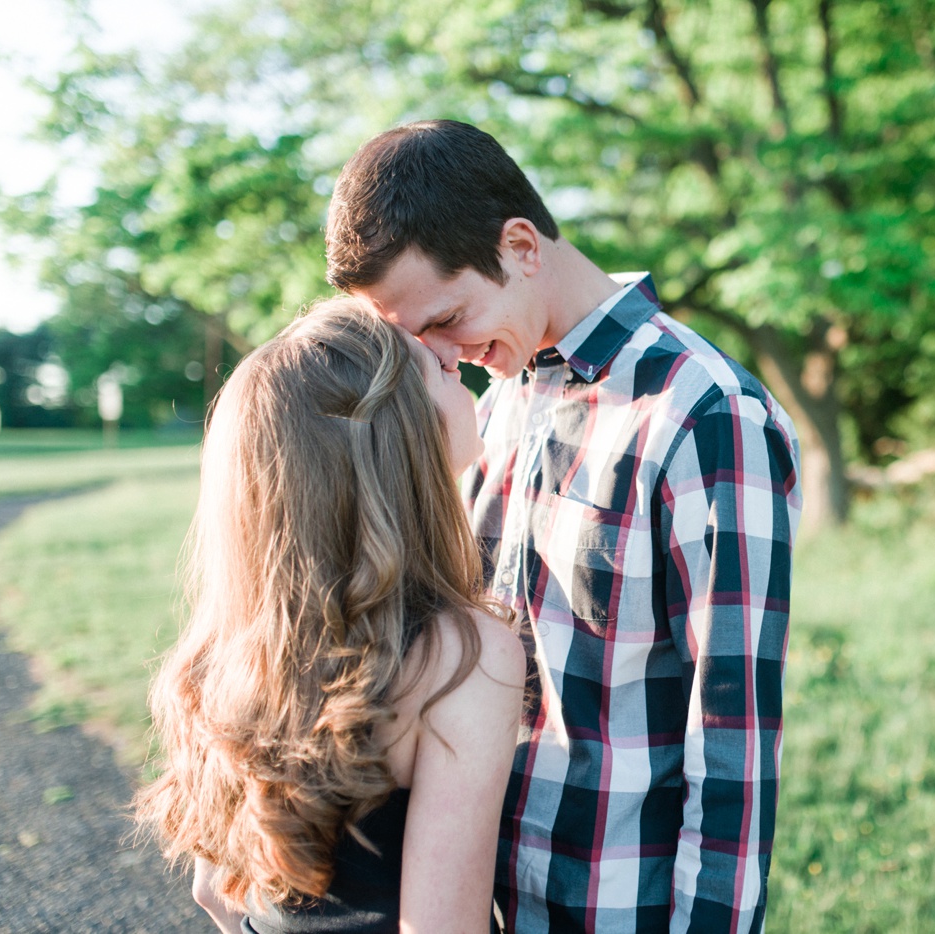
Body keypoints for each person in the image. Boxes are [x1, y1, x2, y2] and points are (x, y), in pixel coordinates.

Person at [326, 119, 802, 932]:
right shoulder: (502, 398)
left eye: (445, 319)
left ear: (520, 246)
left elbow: (732, 746)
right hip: (482, 900)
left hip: (615, 908)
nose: (439, 354)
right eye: (414, 337)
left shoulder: (704, 413)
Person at [134, 298, 526, 933]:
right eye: (432, 362)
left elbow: (216, 892)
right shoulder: (464, 656)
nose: (455, 354)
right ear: (393, 431)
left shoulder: (230, 651)